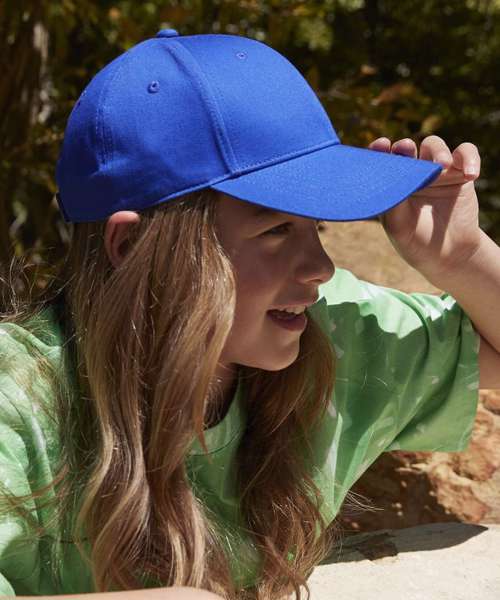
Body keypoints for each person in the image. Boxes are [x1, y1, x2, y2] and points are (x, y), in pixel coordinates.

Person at [0, 29, 499, 600]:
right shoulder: (19, 400)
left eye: (317, 226)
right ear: (131, 247)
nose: (320, 267)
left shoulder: (332, 332)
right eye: (276, 229)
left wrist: (465, 259)